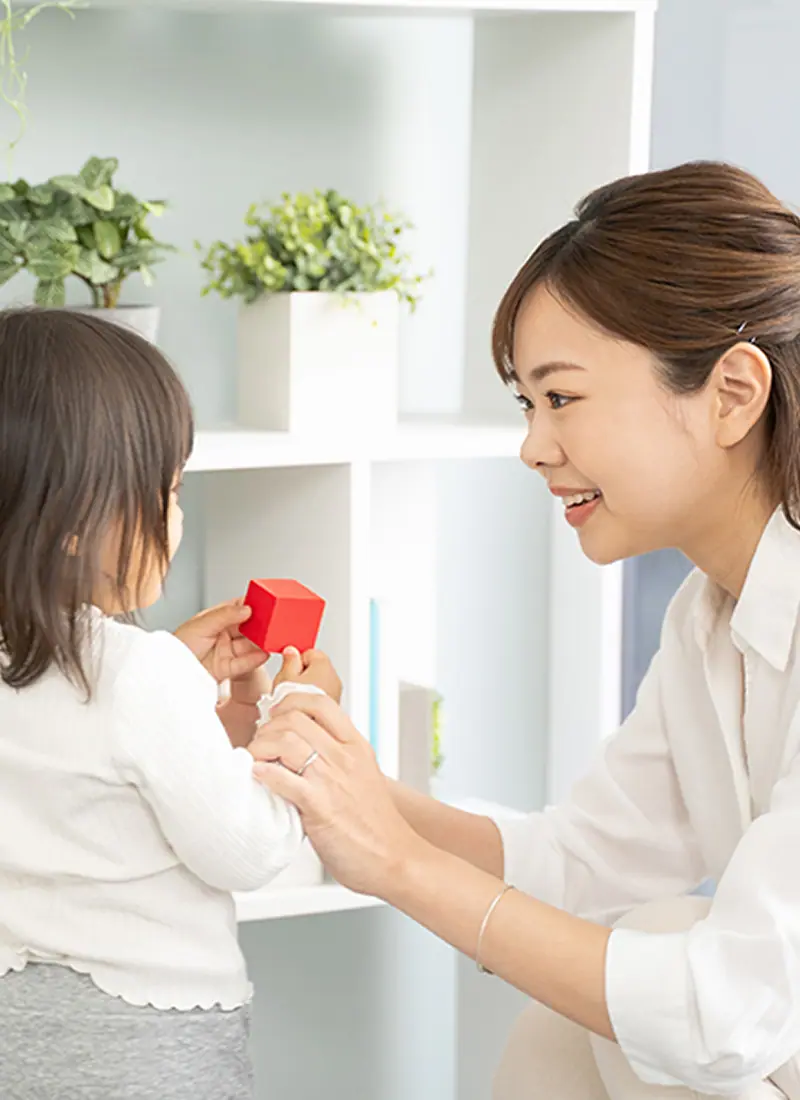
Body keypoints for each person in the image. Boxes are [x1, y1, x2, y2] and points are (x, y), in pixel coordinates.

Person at [249, 160, 800, 1100]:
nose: (534, 447)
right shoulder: (708, 618)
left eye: (563, 397)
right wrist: (346, 790)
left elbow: (724, 1016)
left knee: (653, 962)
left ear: (733, 394)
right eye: (526, 404)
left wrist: (397, 862)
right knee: (588, 989)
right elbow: (581, 864)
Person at [0, 308, 339, 1100]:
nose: (177, 518)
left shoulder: (120, 674)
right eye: (169, 490)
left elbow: (92, 778)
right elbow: (246, 851)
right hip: (148, 1045)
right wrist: (297, 717)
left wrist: (189, 688)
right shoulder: (138, 674)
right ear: (80, 521)